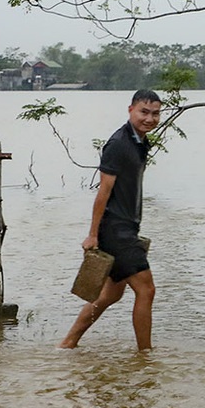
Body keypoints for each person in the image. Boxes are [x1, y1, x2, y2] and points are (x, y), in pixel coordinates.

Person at [60, 90, 160, 350]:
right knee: (146, 290)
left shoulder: (141, 142)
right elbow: (103, 192)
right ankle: (145, 356)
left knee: (110, 295)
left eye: (155, 113)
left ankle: (67, 344)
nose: (149, 119)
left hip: (126, 228)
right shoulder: (119, 144)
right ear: (130, 110)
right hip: (116, 231)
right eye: (144, 112)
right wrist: (93, 234)